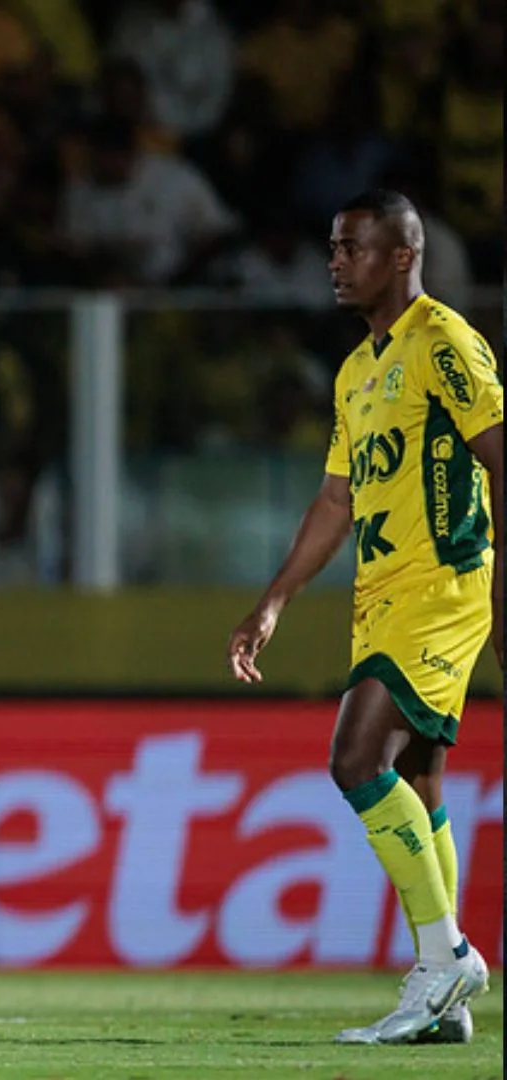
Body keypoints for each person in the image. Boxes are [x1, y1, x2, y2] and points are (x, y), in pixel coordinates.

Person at [228, 189, 500, 1046]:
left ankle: (446, 957)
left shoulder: (443, 341)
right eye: (334, 248)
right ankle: (445, 995)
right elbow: (336, 500)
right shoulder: (356, 371)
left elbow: (502, 456)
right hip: (382, 594)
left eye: (353, 248)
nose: (335, 262)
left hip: (441, 584)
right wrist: (273, 600)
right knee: (417, 778)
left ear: (403, 257)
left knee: (354, 758)